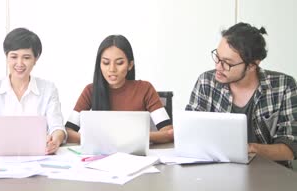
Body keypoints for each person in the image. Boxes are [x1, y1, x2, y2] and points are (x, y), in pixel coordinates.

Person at [186, 22, 297, 167]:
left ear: (252, 65)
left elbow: (290, 149)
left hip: (269, 175)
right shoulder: (206, 81)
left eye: (227, 63)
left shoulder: (284, 86)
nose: (218, 67)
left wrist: (251, 149)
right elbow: (189, 131)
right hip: (216, 172)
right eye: (217, 57)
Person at [0, 27, 66, 154]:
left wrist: (56, 140)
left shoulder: (48, 89)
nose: (19, 63)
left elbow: (57, 127)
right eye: (14, 57)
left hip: (38, 157)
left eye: (26, 58)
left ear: (36, 59)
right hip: (0, 157)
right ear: (7, 57)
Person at [65, 34, 174, 144]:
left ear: (130, 65)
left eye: (119, 63)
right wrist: (93, 138)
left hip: (135, 155)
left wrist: (139, 136)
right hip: (100, 156)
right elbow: (67, 132)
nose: (112, 69)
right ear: (99, 65)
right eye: (106, 63)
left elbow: (169, 132)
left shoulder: (145, 89)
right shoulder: (90, 91)